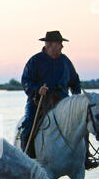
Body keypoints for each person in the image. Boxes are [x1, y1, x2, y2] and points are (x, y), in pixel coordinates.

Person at [21, 30, 97, 169]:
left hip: (63, 101)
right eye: (59, 43)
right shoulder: (35, 61)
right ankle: (27, 160)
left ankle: (85, 158)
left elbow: (75, 82)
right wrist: (38, 89)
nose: (62, 46)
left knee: (83, 122)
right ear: (49, 44)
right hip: (39, 101)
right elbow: (25, 81)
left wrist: (77, 99)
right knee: (27, 124)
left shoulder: (65, 61)